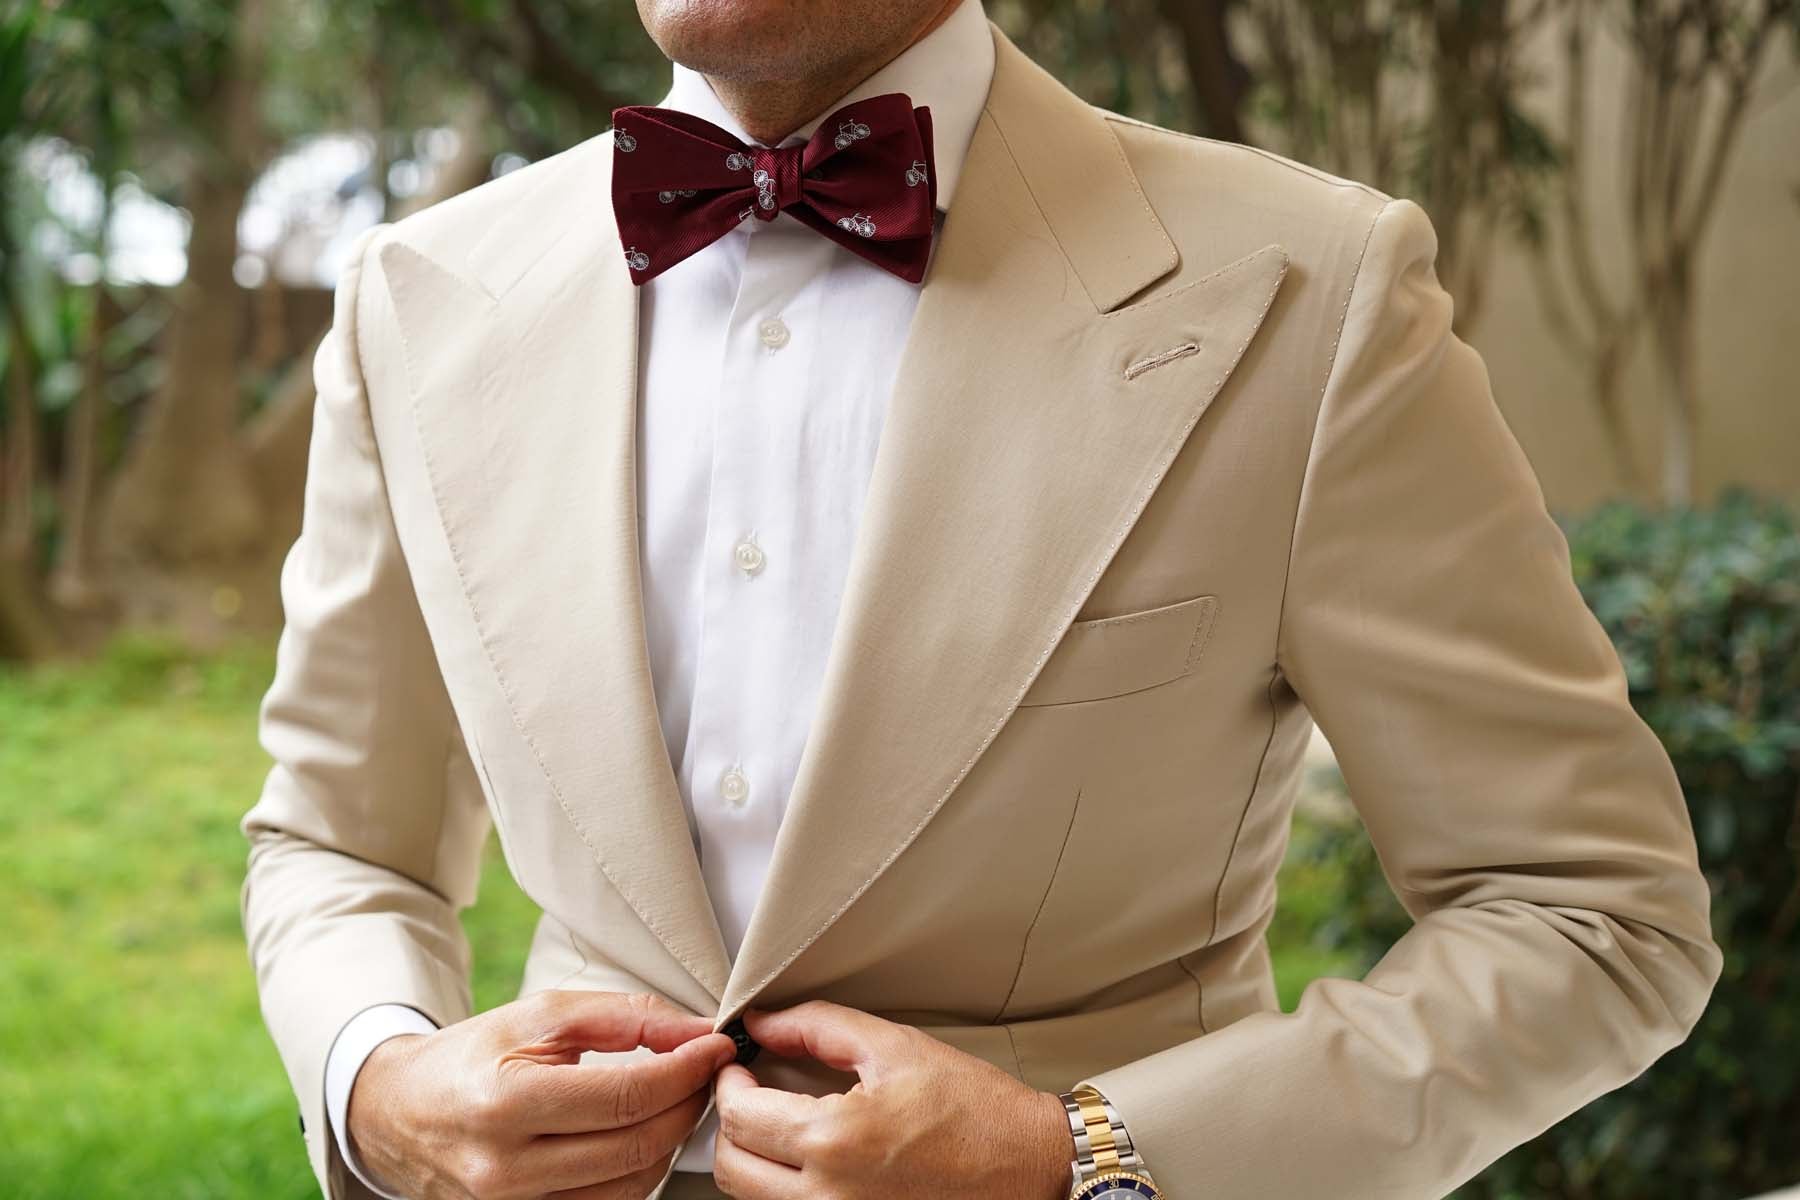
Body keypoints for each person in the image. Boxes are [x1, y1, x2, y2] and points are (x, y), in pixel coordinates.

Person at [240, 0, 1723, 1197]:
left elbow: (1595, 914)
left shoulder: (1311, 295)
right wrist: (379, 1081)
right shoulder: (420, 297)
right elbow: (335, 839)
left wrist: (1081, 1159)